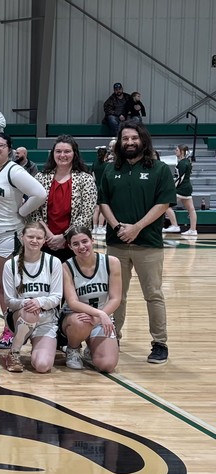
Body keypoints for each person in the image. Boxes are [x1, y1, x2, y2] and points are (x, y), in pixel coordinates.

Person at [98, 121, 176, 364]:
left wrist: (137, 227)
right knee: (116, 295)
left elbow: (163, 203)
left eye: (134, 138)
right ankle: (113, 338)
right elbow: (103, 202)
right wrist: (118, 227)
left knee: (153, 294)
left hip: (148, 243)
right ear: (119, 142)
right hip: (116, 242)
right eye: (125, 139)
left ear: (142, 140)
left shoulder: (159, 169)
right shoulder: (110, 169)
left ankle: (160, 343)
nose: (129, 142)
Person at [0, 133, 47, 349]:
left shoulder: (14, 170)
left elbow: (39, 194)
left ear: (9, 149)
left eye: (1, 145)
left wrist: (21, 211)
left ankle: (8, 329)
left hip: (5, 233)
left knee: (5, 287)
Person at [1, 222, 63, 373]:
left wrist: (39, 302)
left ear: (44, 241)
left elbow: (57, 297)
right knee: (30, 311)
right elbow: (9, 301)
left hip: (46, 320)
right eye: (30, 237)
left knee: (42, 366)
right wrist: (28, 303)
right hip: (20, 317)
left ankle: (35, 344)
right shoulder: (11, 264)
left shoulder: (53, 262)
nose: (34, 240)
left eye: (39, 238)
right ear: (22, 237)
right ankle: (14, 353)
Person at [60, 226, 122, 372]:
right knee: (81, 322)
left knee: (107, 365)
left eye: (84, 241)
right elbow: (72, 302)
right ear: (70, 247)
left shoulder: (111, 262)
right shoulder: (66, 266)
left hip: (102, 318)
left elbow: (115, 298)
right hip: (75, 318)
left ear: (92, 240)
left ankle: (91, 348)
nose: (81, 247)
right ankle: (73, 349)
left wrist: (100, 316)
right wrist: (98, 314)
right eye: (75, 244)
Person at [28, 135, 98, 261]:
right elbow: (34, 211)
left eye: (67, 151)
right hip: (45, 241)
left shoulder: (86, 179)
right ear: (53, 154)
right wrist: (49, 237)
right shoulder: (40, 177)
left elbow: (86, 214)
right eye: (58, 151)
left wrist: (64, 237)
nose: (62, 155)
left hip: (74, 242)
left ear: (74, 154)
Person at [163, 144, 196, 235]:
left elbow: (179, 178)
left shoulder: (182, 163)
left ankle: (175, 226)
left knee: (165, 205)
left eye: (177, 150)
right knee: (191, 209)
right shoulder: (187, 162)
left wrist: (172, 187)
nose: (175, 151)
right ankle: (193, 230)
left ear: (181, 151)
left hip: (181, 188)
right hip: (187, 187)